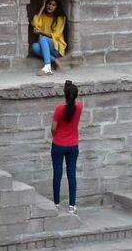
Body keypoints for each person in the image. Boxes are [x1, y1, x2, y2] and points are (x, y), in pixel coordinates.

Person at [51, 80, 83, 214]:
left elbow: (53, 128)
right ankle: (72, 205)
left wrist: (55, 137)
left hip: (58, 144)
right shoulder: (80, 107)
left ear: (64, 95)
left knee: (57, 174)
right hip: (73, 145)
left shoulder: (59, 110)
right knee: (72, 174)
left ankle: (56, 203)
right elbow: (74, 103)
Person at [31, 0, 67, 75]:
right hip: (45, 46)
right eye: (49, 4)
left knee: (43, 38)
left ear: (57, 7)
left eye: (53, 5)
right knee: (34, 46)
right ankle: (55, 60)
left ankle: (47, 67)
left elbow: (56, 35)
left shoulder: (60, 19)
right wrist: (42, 7)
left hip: (57, 48)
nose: (50, 6)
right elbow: (35, 23)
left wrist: (41, 32)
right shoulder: (43, 16)